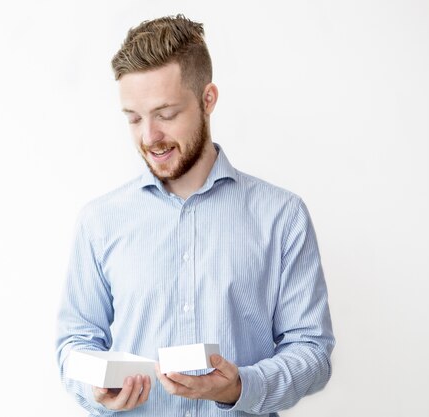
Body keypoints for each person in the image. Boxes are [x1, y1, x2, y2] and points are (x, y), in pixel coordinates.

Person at [55, 14, 334, 417]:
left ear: (208, 99)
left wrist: (240, 386)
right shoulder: (100, 221)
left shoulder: (282, 216)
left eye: (165, 114)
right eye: (133, 118)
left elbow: (313, 352)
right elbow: (74, 343)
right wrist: (93, 389)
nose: (149, 137)